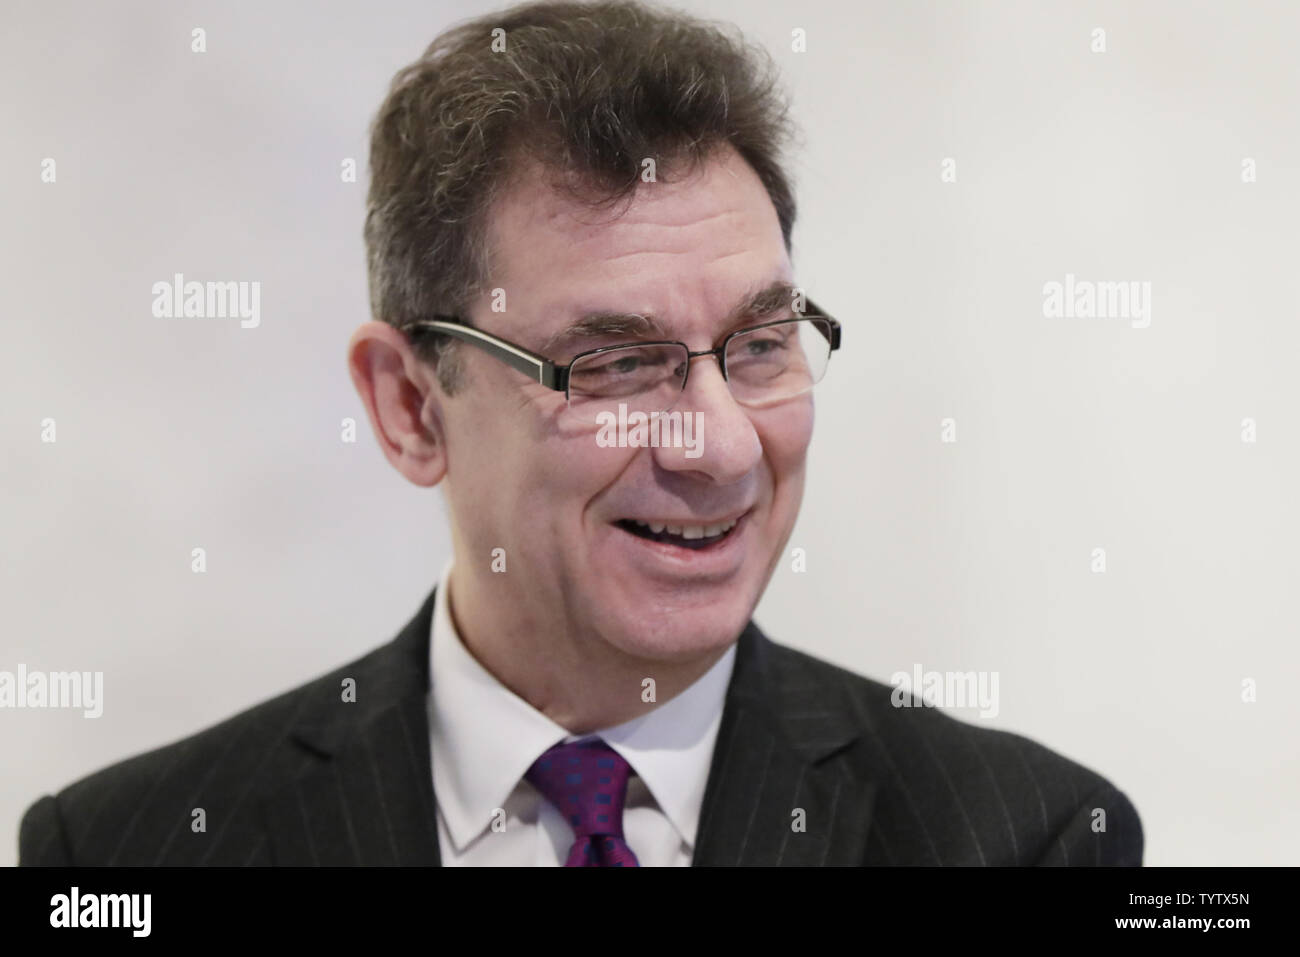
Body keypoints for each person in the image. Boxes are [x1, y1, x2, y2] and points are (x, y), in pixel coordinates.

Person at [19, 0, 1142, 867]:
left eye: (759, 345)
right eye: (617, 365)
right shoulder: (130, 851)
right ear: (410, 407)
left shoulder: (1022, 841)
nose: (722, 449)